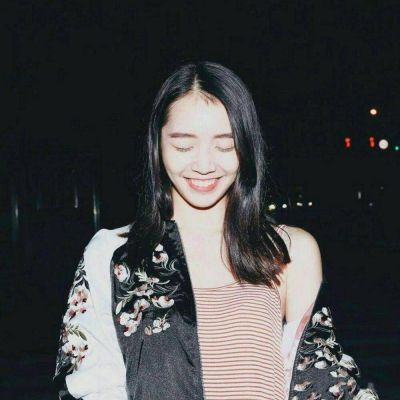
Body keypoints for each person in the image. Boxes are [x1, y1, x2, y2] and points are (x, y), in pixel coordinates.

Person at [53, 61, 379, 400]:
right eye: (183, 146)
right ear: (157, 145)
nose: (205, 165)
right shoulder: (114, 254)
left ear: (247, 147)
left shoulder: (289, 250)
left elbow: (319, 383)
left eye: (225, 146)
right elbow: (91, 386)